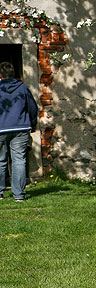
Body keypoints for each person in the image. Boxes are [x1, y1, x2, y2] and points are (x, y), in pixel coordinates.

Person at [0, 62, 39, 202]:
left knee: (1, 160)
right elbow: (33, 107)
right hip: (21, 128)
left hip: (1, 129)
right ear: (14, 74)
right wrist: (32, 124)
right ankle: (19, 195)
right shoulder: (22, 87)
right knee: (18, 161)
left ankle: (0, 192)